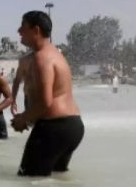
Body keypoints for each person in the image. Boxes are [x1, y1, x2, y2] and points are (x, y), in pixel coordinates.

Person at [11, 11, 84, 177]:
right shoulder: (55, 54)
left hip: (54, 127)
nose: (19, 31)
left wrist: (23, 118)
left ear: (36, 30)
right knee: (57, 178)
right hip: (73, 126)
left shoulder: (41, 58)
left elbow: (45, 102)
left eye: (23, 26)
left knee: (28, 180)